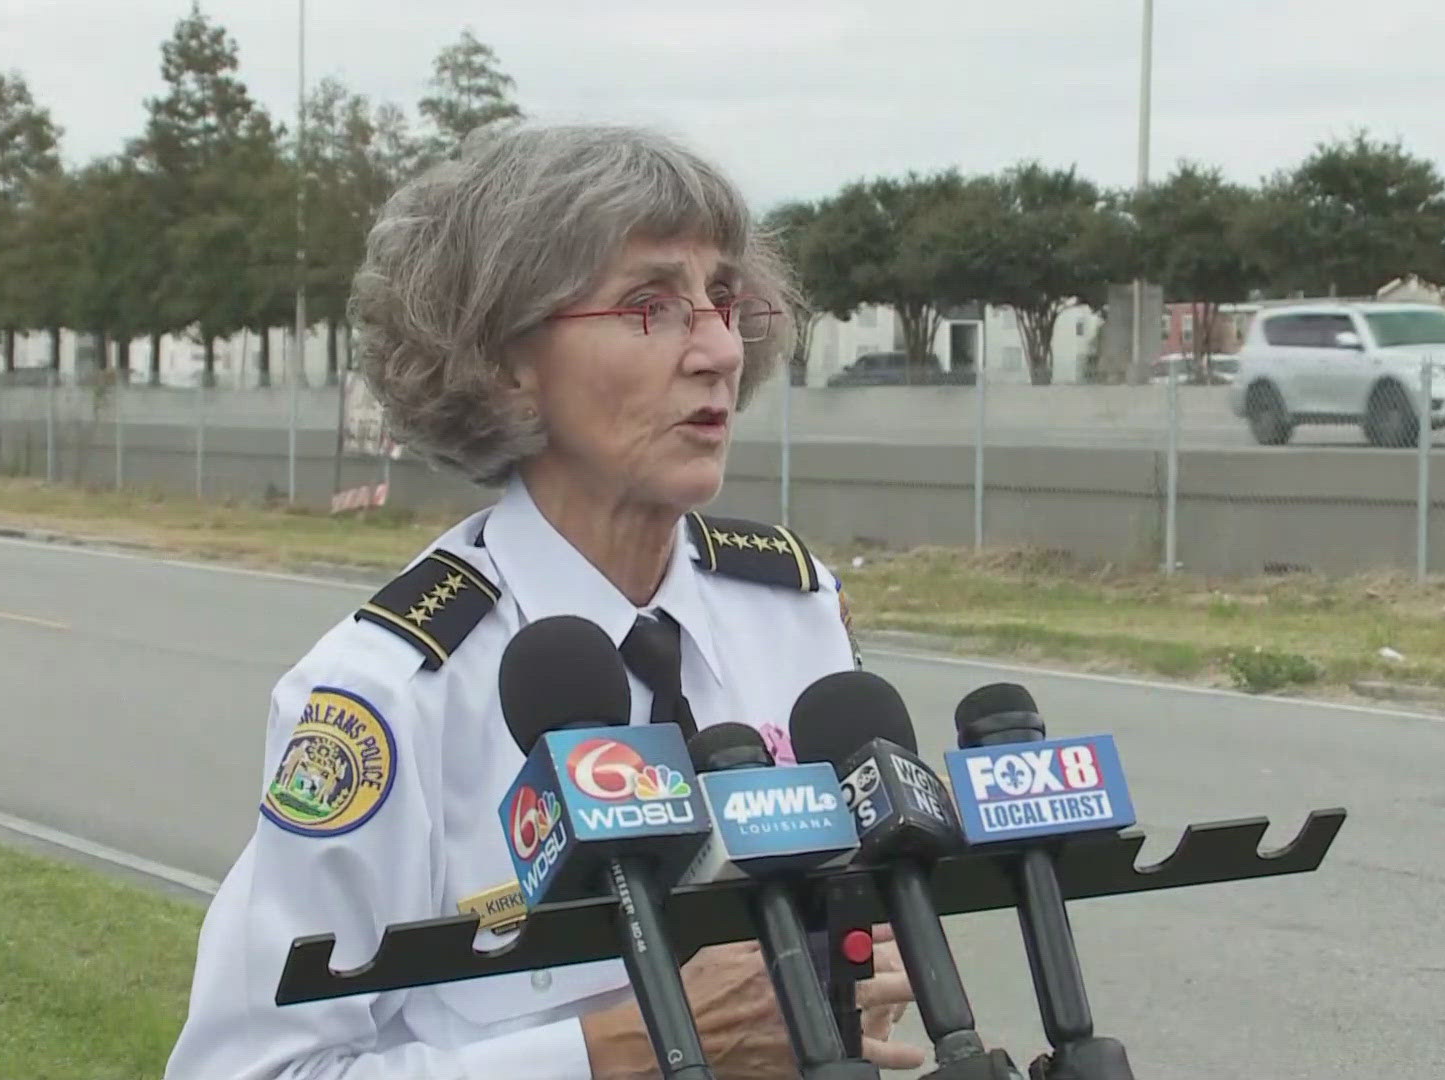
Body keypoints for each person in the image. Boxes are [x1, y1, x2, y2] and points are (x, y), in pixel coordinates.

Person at [163, 121, 923, 1080]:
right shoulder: (389, 698)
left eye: (724, 299)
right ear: (504, 359)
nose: (719, 350)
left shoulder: (794, 610)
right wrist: (620, 1053)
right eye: (650, 306)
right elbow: (251, 1071)